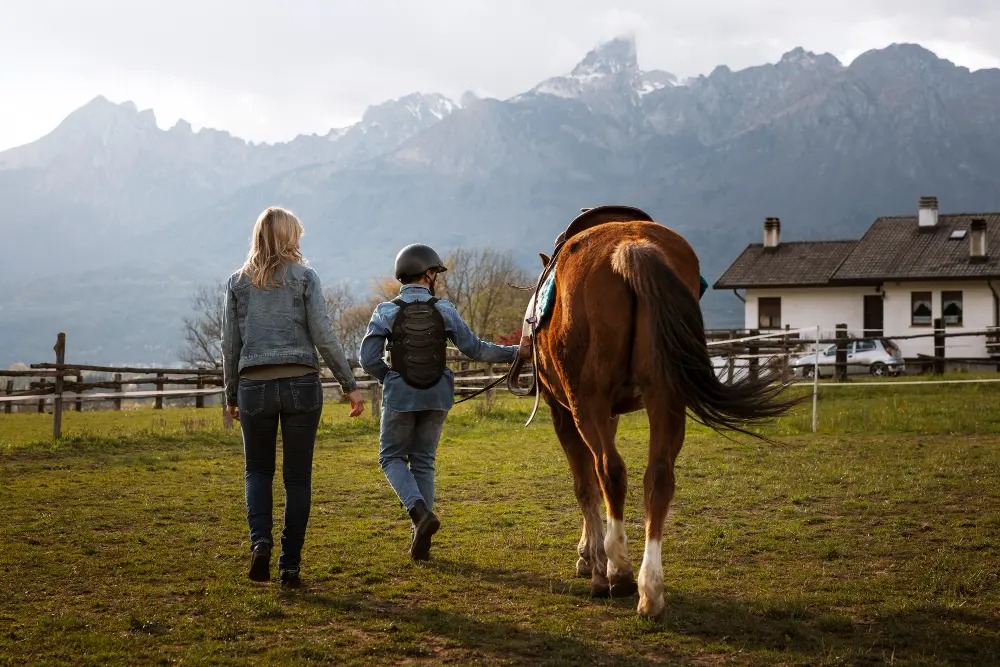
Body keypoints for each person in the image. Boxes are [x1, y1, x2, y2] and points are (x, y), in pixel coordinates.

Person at [222, 206, 366, 588]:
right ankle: (290, 566)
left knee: (257, 471)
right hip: (301, 384)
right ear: (289, 237)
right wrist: (349, 384)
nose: (300, 241)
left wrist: (231, 393)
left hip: (254, 387)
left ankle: (261, 544)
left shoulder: (237, 283)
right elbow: (324, 334)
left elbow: (230, 345)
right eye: (297, 234)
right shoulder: (305, 277)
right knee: (297, 477)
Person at [359, 243, 527, 560]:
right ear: (427, 274)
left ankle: (420, 515)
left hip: (400, 395)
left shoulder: (385, 311)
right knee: (423, 461)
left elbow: (367, 358)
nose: (436, 276)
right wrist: (516, 352)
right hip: (438, 395)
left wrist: (390, 379)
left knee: (391, 458)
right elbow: (477, 350)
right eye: (435, 271)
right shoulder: (445, 310)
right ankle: (420, 541)